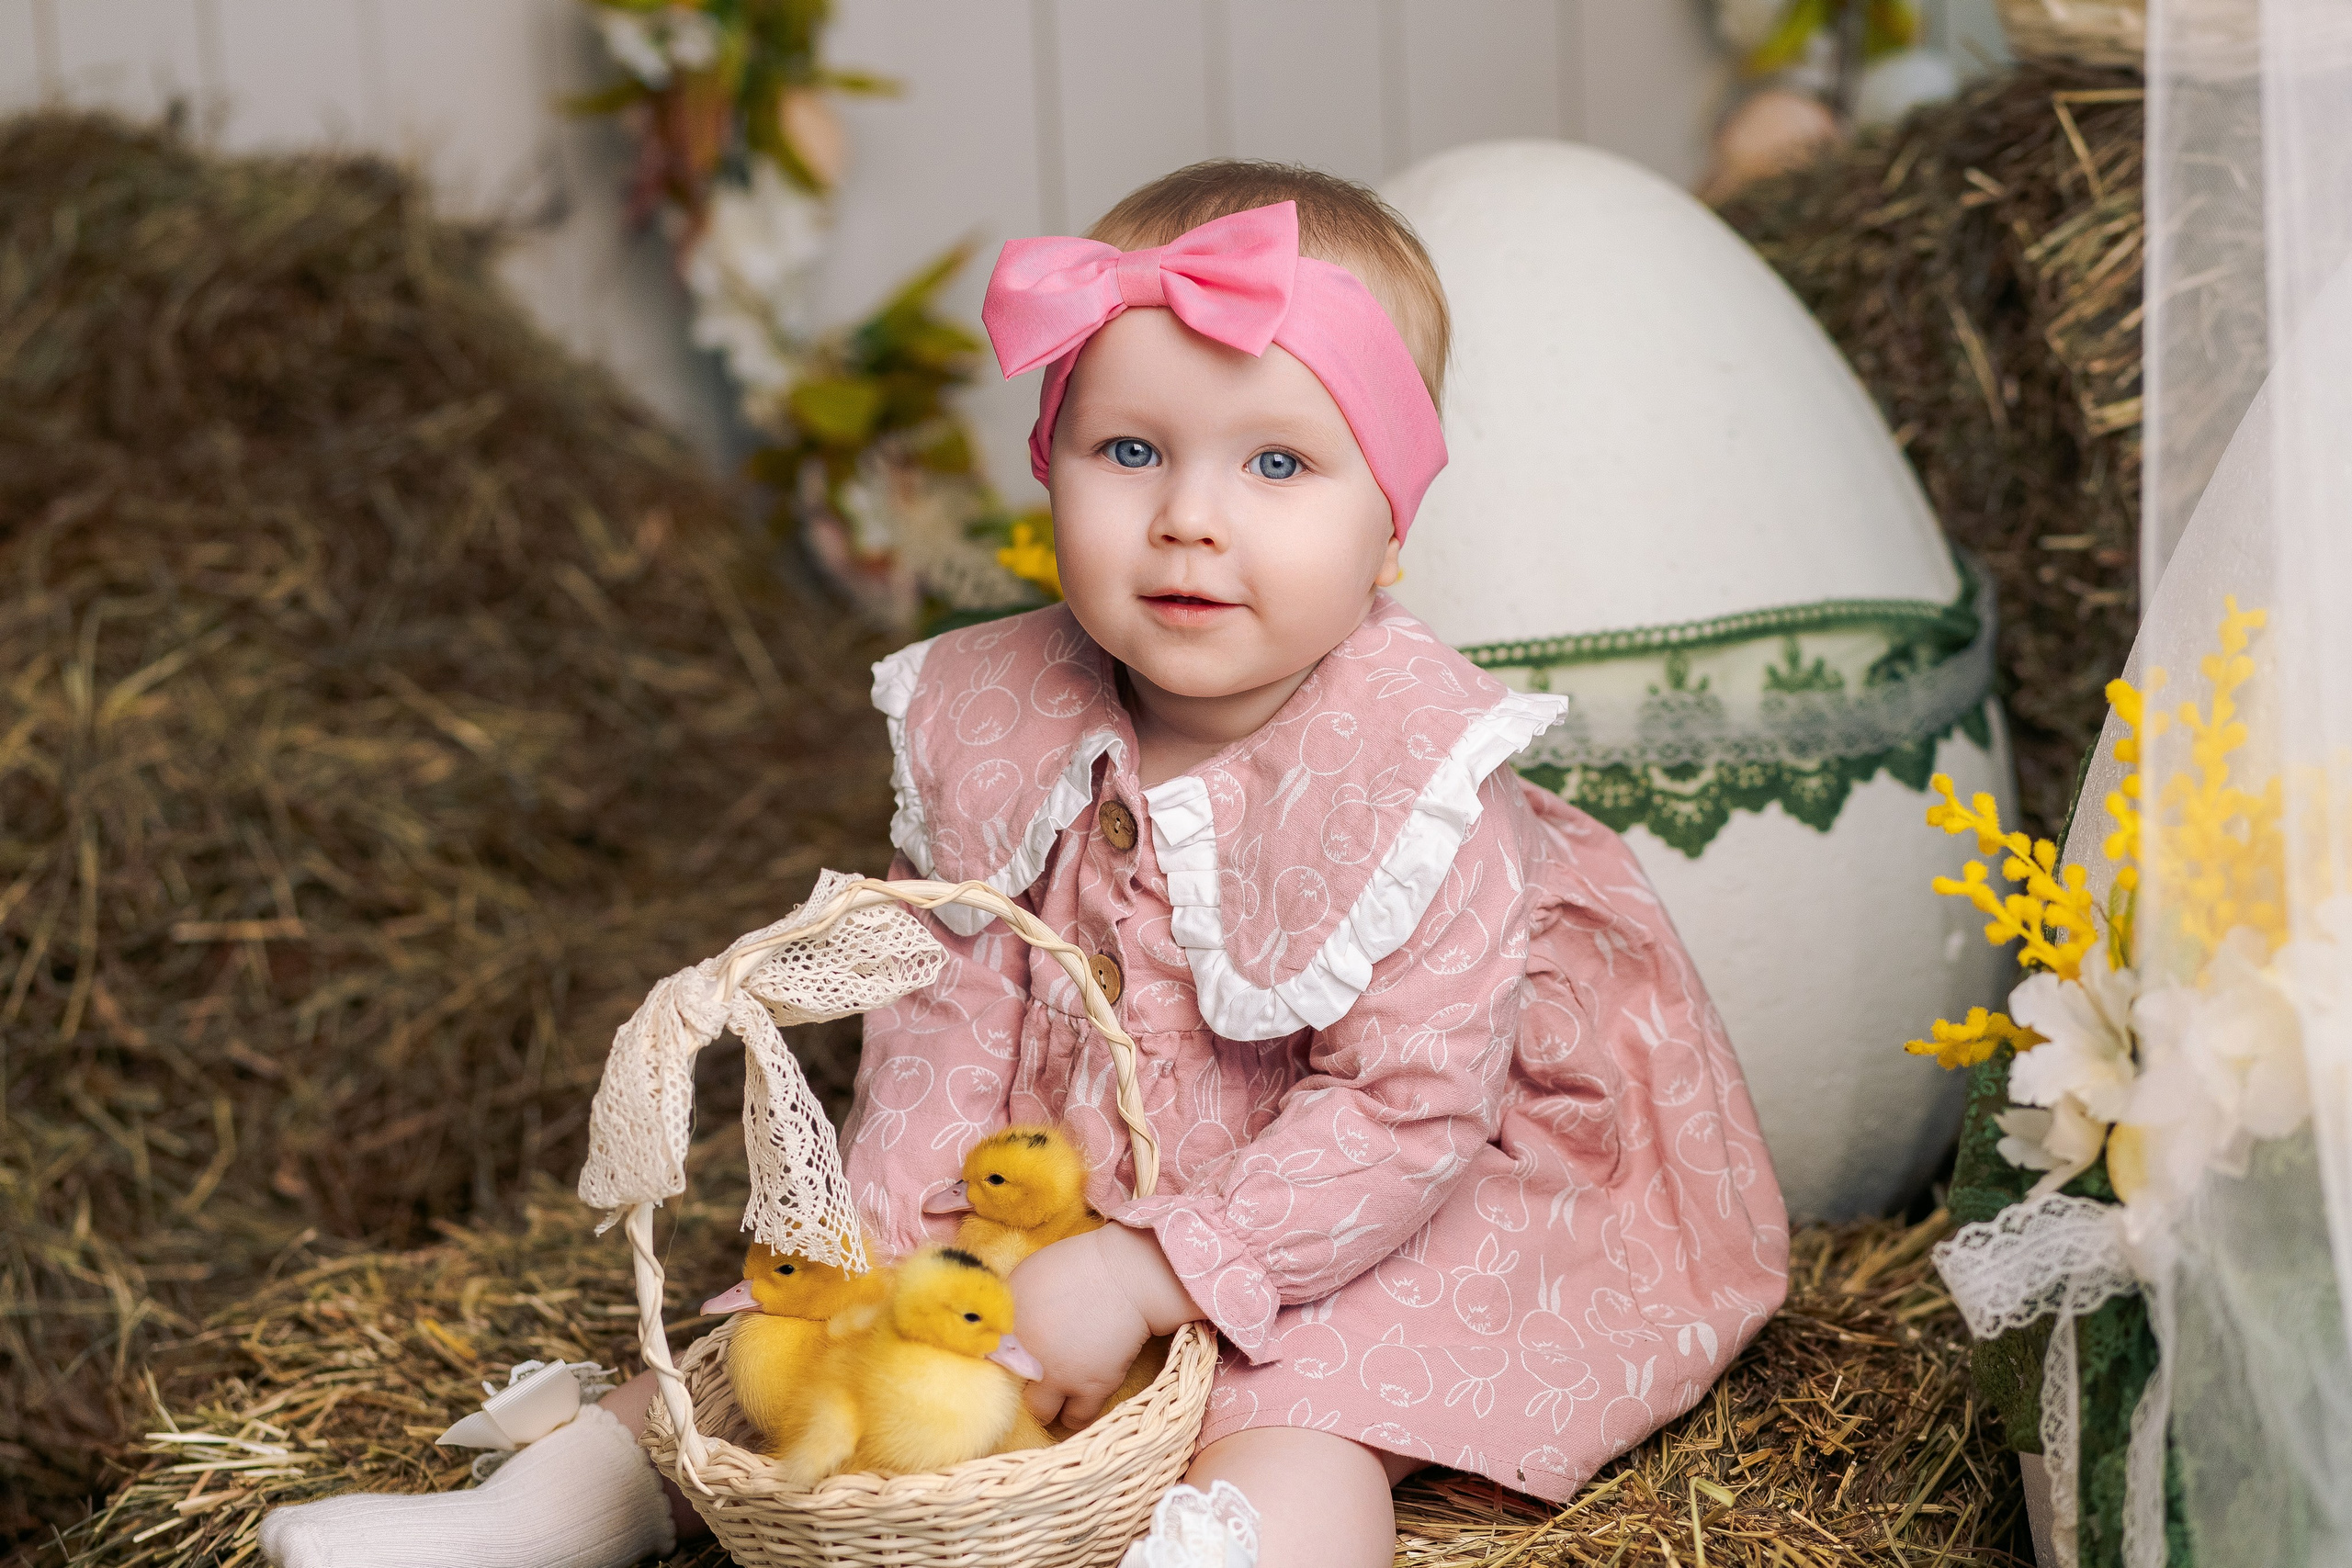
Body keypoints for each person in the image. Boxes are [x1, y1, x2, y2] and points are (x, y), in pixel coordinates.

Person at [260, 161, 1789, 1568]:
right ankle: (547, 1510)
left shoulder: (1412, 780)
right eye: (1132, 450)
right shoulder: (1000, 717)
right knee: (787, 1357)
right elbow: (952, 1010)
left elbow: (1410, 1109)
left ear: (1391, 525)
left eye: (1277, 464)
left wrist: (1150, 1273)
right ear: (1052, 467)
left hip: (1367, 1195)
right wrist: (878, 1250)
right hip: (1063, 1154)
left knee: (1307, 1414)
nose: (1191, 519)